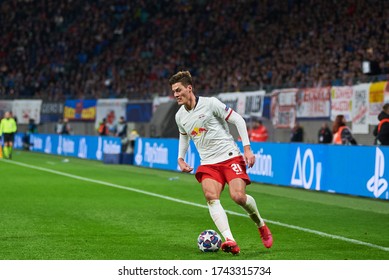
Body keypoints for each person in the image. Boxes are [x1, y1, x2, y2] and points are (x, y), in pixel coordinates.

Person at [169, 71, 272, 255]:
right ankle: (230, 240)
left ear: (189, 88)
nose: (175, 94)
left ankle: (261, 225)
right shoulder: (179, 116)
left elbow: (238, 120)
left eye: (178, 90)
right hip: (208, 163)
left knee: (238, 197)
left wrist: (247, 148)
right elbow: (183, 136)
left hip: (230, 156)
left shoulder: (211, 103)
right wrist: (180, 158)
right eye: (174, 91)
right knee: (210, 196)